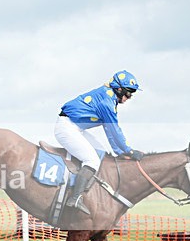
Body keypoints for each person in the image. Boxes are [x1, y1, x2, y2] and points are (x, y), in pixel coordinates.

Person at [54, 70, 144, 215]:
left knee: (101, 152)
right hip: (67, 128)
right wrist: (129, 151)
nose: (129, 97)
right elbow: (115, 130)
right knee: (92, 160)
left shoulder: (110, 97)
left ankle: (89, 190)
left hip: (76, 127)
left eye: (131, 94)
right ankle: (74, 198)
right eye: (128, 93)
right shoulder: (107, 102)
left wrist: (120, 152)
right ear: (119, 89)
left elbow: (109, 131)